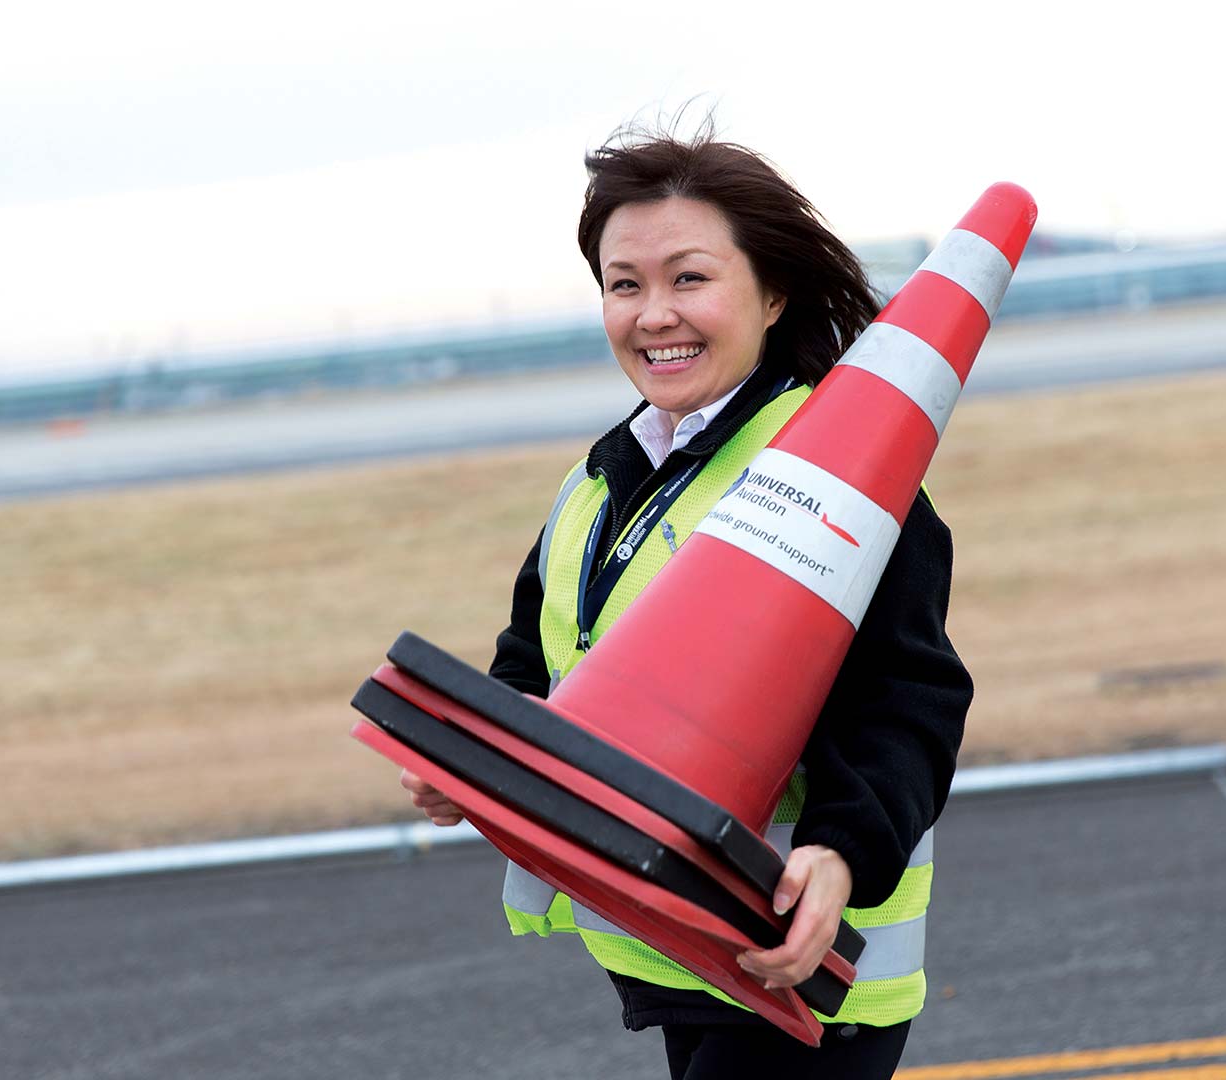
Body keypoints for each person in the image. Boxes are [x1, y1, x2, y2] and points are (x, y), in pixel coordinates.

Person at [400, 126, 972, 1080]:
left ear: (773, 293)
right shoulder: (598, 480)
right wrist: (475, 755)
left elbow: (907, 704)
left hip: (801, 969)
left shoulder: (847, 483)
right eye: (625, 285)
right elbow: (537, 662)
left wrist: (836, 855)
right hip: (669, 951)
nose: (654, 314)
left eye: (689, 279)